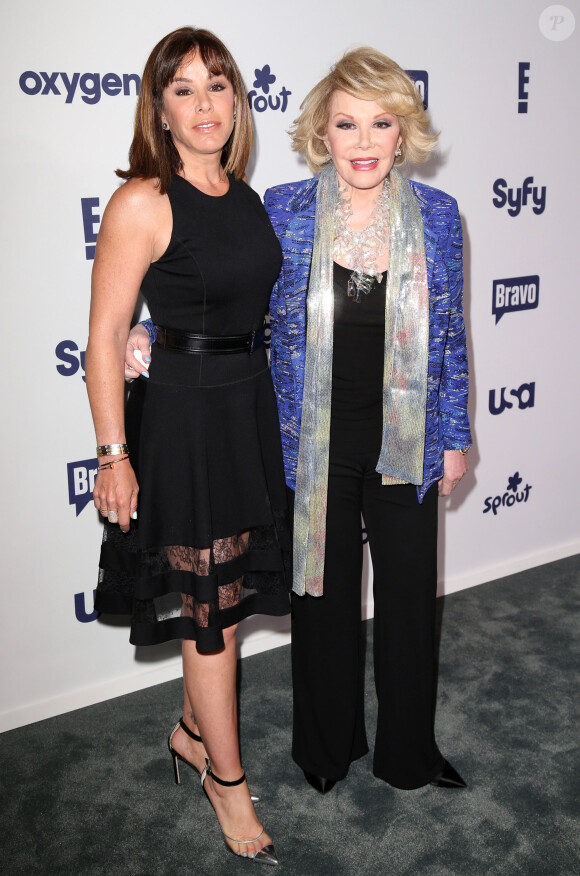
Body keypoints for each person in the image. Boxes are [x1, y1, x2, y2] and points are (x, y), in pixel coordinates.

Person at [127, 47, 472, 795]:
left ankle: (410, 752)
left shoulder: (440, 218)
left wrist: (455, 436)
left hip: (406, 440)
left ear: (402, 131)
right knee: (322, 602)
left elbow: (449, 336)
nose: (363, 142)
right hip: (306, 441)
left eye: (381, 123)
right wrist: (152, 332)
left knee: (411, 602)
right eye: (346, 124)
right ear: (322, 130)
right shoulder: (280, 209)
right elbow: (227, 295)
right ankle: (327, 748)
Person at [86, 26, 290, 864]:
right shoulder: (144, 200)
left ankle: (187, 733)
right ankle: (228, 783)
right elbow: (104, 337)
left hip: (246, 410)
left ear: (236, 100)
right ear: (160, 110)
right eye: (185, 90)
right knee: (213, 619)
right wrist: (112, 454)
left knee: (223, 599)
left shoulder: (244, 194)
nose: (205, 105)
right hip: (182, 422)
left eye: (218, 86)